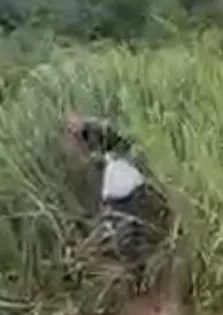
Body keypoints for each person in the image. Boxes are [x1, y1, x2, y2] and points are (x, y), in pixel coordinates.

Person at [64, 113, 171, 290]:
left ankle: (143, 276)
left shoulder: (101, 135)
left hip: (124, 188)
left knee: (129, 235)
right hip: (122, 189)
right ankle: (141, 275)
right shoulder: (95, 145)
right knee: (129, 235)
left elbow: (120, 146)